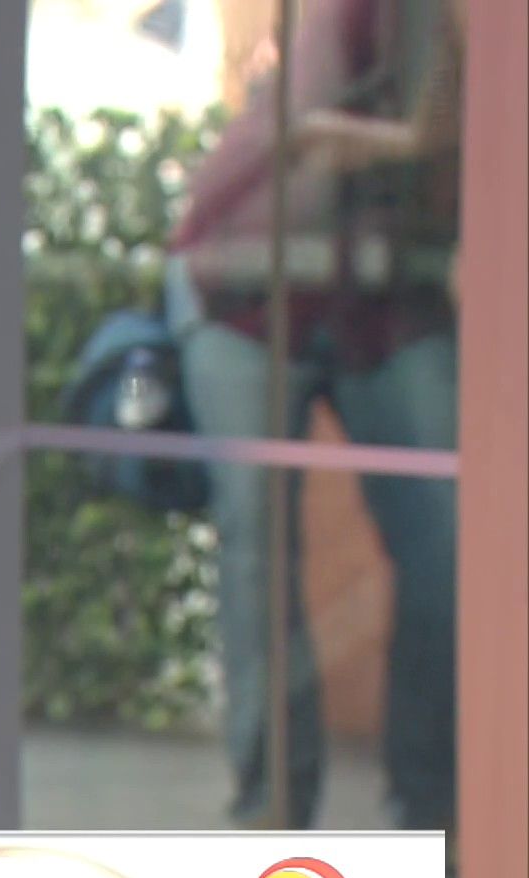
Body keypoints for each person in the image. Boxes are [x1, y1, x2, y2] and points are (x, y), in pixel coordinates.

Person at [167, 0, 461, 831]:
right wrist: (411, 139)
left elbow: (429, 134)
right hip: (242, 288)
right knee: (256, 556)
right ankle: (273, 809)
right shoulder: (344, 17)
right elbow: (309, 126)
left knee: (447, 548)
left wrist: (413, 140)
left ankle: (430, 812)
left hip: (385, 296)